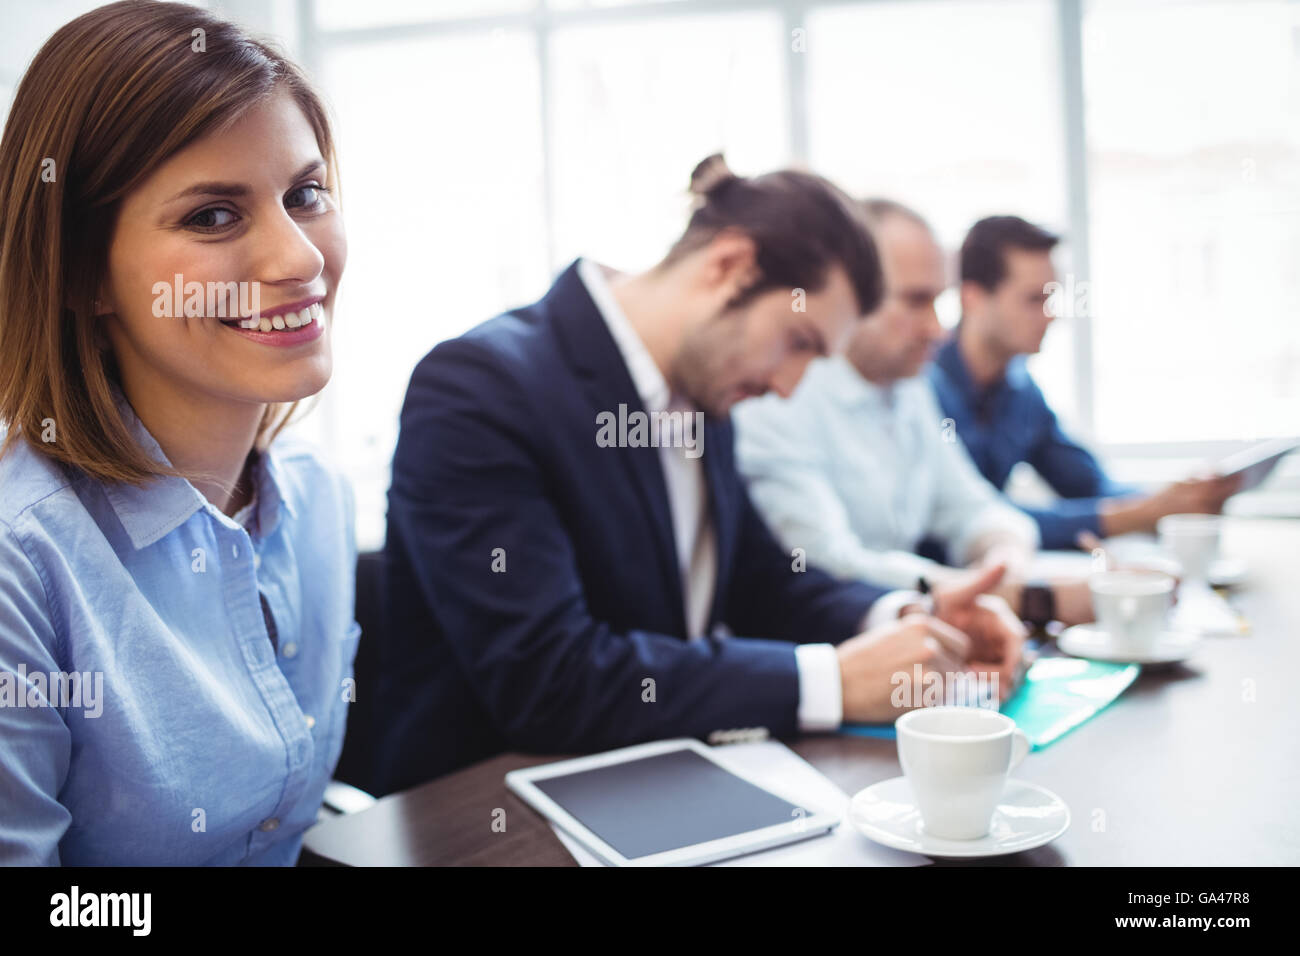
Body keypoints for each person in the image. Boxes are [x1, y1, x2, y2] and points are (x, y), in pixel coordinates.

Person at [375, 156, 1025, 793]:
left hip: (660, 780)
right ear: (729, 266)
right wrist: (831, 680)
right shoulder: (481, 388)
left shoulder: (704, 388)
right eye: (798, 342)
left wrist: (911, 616)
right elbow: (549, 679)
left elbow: (761, 581)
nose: (788, 386)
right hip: (485, 811)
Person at [0, 1, 358, 865]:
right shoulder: (22, 562)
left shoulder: (318, 499)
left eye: (305, 195)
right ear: (85, 273)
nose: (300, 257)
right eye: (212, 216)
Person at [734, 200, 1093, 626]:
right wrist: (1015, 596)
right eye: (915, 301)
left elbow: (973, 507)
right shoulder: (781, 396)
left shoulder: (909, 386)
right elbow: (828, 562)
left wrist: (1005, 558)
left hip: (915, 631)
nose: (938, 330)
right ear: (851, 295)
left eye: (938, 301)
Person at [929, 215, 1239, 551]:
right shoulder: (921, 389)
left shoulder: (1020, 392)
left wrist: (1175, 500)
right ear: (972, 297)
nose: (1051, 315)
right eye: (1034, 300)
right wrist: (1138, 514)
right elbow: (974, 517)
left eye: (1051, 298)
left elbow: (1088, 483)